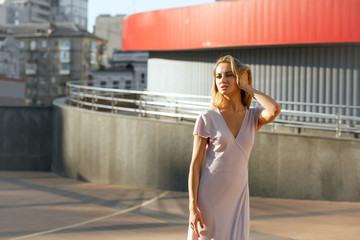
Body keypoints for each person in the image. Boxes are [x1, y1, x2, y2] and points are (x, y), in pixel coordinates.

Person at [187, 55, 281, 240]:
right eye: (218, 76)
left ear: (239, 77)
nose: (222, 80)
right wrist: (193, 208)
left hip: (238, 195)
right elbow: (195, 166)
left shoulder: (253, 116)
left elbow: (274, 109)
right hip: (210, 195)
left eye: (229, 75)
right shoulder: (207, 118)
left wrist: (247, 87)